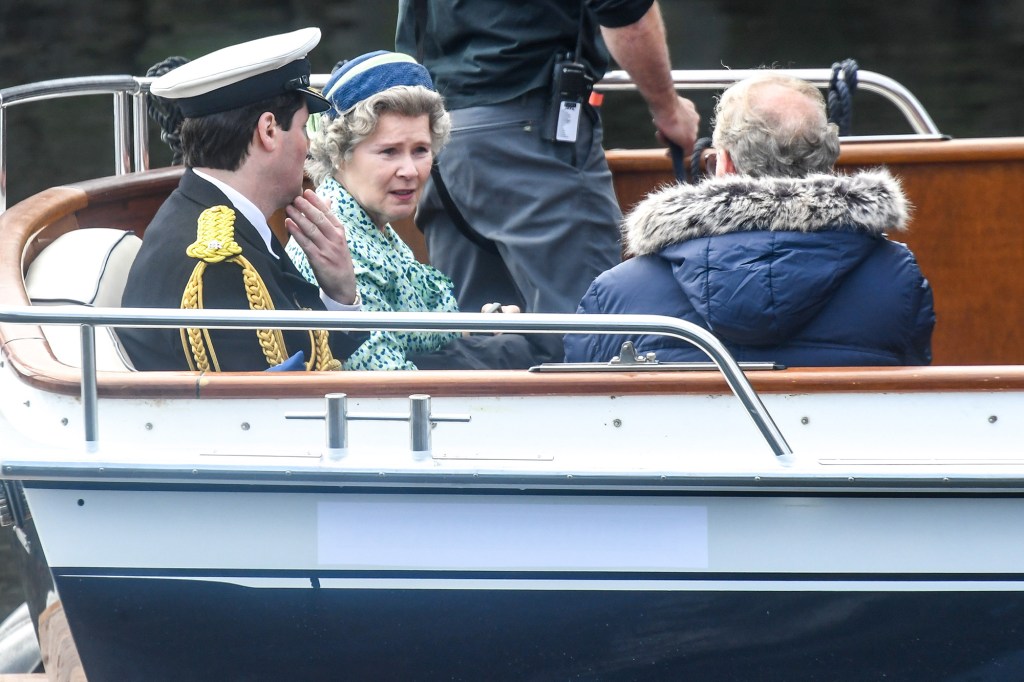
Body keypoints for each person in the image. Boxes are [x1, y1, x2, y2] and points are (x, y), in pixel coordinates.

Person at [564, 73, 936, 367]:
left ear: (722, 164)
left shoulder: (617, 292)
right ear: (826, 164)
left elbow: (585, 406)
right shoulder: (896, 278)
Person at [394, 0, 700, 324]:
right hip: (530, 141)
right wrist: (668, 110)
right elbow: (626, 14)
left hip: (440, 137)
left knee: (472, 338)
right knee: (589, 335)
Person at [120, 28, 368, 372]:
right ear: (268, 131)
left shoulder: (218, 217)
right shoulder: (218, 264)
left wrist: (340, 292)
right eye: (301, 128)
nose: (308, 146)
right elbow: (264, 409)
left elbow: (300, 353)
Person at [288, 51, 550, 370]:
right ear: (339, 154)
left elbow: (412, 334)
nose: (410, 171)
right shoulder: (342, 247)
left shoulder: (370, 225)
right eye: (389, 152)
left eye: (421, 150)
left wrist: (474, 328)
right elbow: (385, 387)